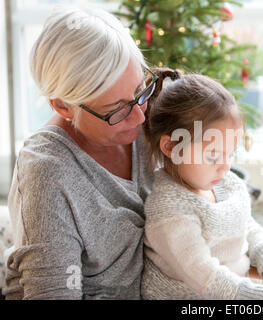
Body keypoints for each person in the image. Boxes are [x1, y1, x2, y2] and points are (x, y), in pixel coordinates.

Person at [140, 70, 263, 300]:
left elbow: (245, 226)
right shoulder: (168, 212)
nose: (224, 167)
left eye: (230, 154)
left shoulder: (224, 182)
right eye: (213, 156)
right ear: (172, 148)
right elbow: (207, 276)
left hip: (233, 290)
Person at [3, 5, 156, 299]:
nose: (140, 118)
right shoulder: (47, 176)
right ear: (62, 106)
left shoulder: (147, 107)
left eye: (140, 91)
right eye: (117, 110)